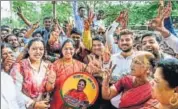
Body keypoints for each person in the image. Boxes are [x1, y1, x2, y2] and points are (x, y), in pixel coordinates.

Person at [49, 39, 102, 109]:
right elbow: (49, 87)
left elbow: (93, 70)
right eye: (66, 49)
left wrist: (98, 66)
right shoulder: (55, 65)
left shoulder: (80, 64)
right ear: (61, 50)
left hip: (75, 105)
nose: (68, 51)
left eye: (71, 49)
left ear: (74, 50)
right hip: (58, 102)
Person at [10, 38, 56, 109]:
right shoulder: (19, 67)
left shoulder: (48, 66)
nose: (38, 52)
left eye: (41, 49)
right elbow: (14, 91)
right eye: (34, 49)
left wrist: (51, 81)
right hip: (24, 105)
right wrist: (33, 104)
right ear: (28, 50)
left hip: (43, 105)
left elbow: (48, 90)